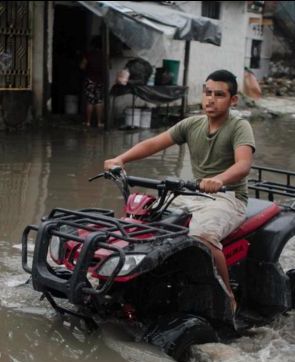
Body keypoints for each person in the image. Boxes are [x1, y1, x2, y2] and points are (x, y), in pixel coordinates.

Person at [103, 69, 254, 313]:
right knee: (146, 223)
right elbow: (154, 143)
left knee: (202, 236)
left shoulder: (239, 126)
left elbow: (243, 164)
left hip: (229, 197)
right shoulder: (192, 123)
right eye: (207, 92)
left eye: (219, 94)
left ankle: (227, 298)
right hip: (194, 195)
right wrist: (121, 159)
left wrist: (218, 179)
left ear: (233, 100)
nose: (210, 99)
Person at [81, 36, 105, 127]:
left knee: (90, 102)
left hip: (90, 80)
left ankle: (88, 122)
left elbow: (82, 66)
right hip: (101, 81)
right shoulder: (104, 55)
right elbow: (109, 66)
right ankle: (99, 123)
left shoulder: (89, 54)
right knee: (99, 102)